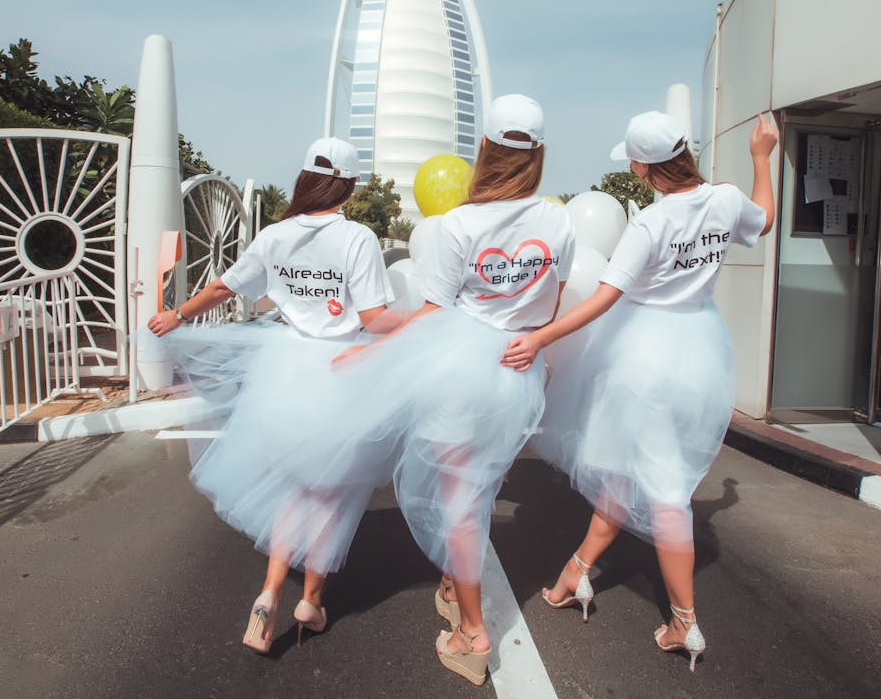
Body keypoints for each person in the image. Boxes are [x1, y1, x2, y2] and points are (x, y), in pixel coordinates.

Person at [501, 110, 778, 673]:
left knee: (665, 489)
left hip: (644, 356)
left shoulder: (650, 225)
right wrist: (760, 158)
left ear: (643, 165)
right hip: (699, 349)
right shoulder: (724, 201)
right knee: (625, 466)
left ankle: (685, 621)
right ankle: (575, 572)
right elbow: (765, 219)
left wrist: (539, 338)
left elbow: (602, 298)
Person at [341, 94, 575, 686]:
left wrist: (372, 351)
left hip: (458, 373)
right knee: (481, 488)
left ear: (486, 151)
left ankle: (472, 632)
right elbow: (548, 305)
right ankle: (454, 583)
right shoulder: (558, 221)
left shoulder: (457, 225)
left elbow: (431, 315)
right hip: (517, 374)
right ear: (538, 154)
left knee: (458, 503)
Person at [148, 137, 395, 654]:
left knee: (291, 485)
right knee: (331, 490)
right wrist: (428, 321)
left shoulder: (274, 236)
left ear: (305, 178)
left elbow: (224, 287)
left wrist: (177, 315)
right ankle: (312, 599)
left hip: (284, 370)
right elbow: (374, 320)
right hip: (339, 371)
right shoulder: (357, 239)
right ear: (347, 185)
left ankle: (269, 592)